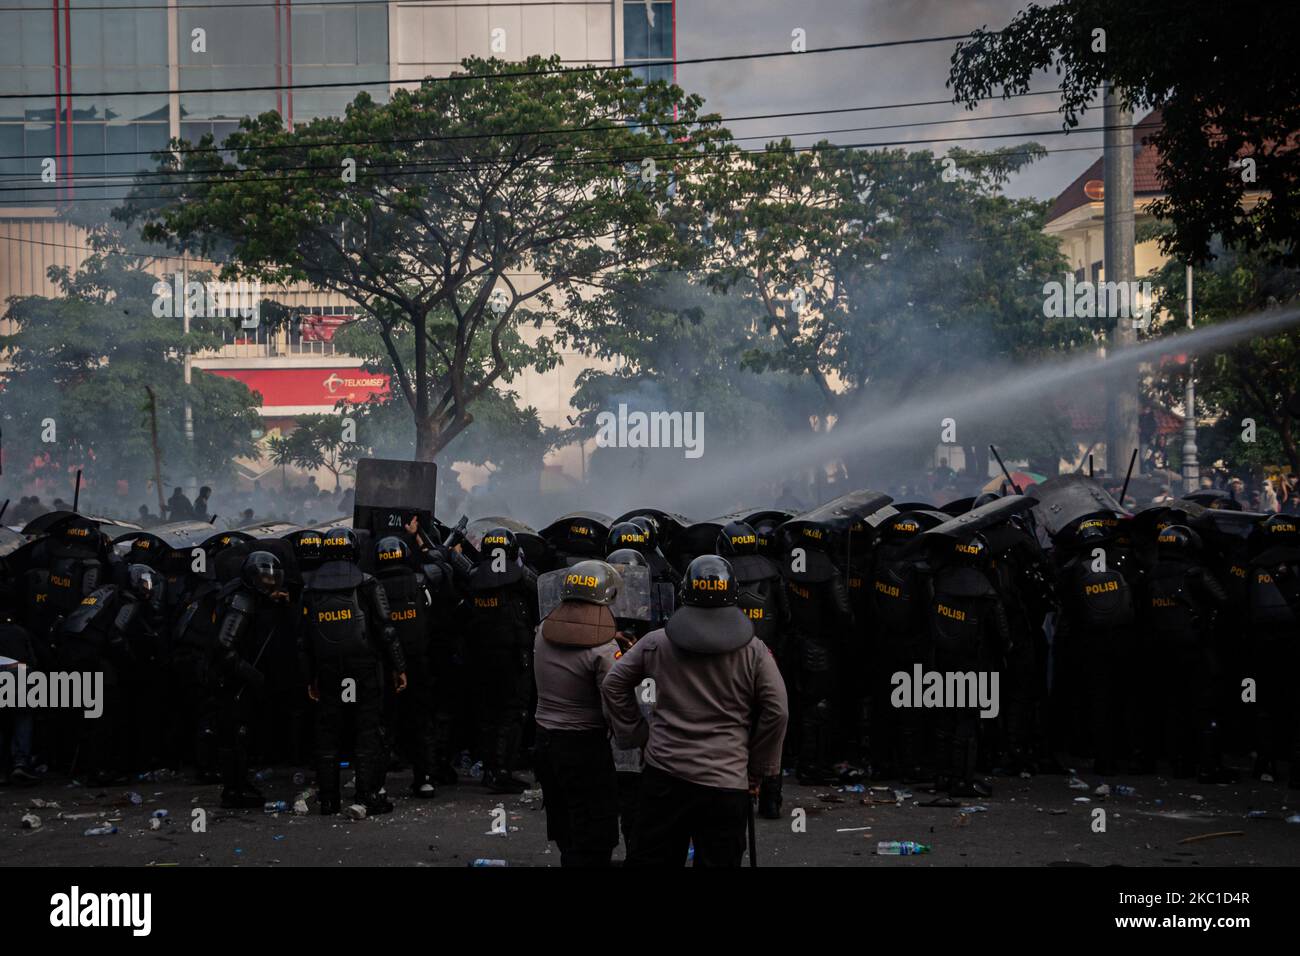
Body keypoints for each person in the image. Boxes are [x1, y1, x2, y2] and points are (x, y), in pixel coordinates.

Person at [602, 555, 788, 867]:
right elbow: (777, 711)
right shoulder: (753, 651)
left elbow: (613, 684)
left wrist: (636, 734)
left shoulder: (656, 642)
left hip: (664, 777)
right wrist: (758, 767)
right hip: (726, 781)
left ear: (685, 592)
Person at [300, 529, 407, 815]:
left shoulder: (309, 590)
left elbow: (305, 639)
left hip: (328, 670)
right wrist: (399, 667)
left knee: (327, 735)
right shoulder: (368, 583)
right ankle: (367, 796)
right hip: (364, 668)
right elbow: (386, 630)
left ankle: (328, 800)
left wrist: (310, 677)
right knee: (367, 732)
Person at [532, 559, 623, 866]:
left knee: (566, 826)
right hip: (584, 747)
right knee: (595, 833)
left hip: (544, 740)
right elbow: (614, 702)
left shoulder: (543, 629)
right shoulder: (604, 649)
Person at [464, 528, 539, 793]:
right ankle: (502, 770)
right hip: (513, 657)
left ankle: (489, 769)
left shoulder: (473, 577)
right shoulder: (522, 578)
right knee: (513, 713)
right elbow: (541, 599)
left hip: (480, 656)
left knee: (487, 714)